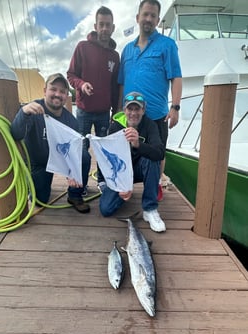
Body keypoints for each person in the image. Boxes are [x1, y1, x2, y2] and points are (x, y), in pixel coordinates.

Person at [118, 0, 182, 201]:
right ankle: (124, 184)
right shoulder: (127, 50)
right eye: (145, 14)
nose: (148, 19)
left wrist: (176, 107)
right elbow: (121, 83)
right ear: (138, 18)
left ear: (157, 19)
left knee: (158, 152)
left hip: (156, 114)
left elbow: (176, 77)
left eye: (153, 15)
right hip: (130, 115)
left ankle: (153, 186)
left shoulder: (167, 45)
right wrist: (118, 110)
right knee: (126, 150)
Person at [10, 73, 91, 213]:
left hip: (61, 159)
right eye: (53, 89)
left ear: (66, 96)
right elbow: (16, 134)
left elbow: (74, 151)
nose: (57, 94)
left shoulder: (72, 121)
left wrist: (72, 172)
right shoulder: (33, 109)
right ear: (44, 91)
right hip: (40, 163)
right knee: (40, 201)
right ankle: (39, 185)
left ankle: (75, 195)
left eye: (62, 91)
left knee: (84, 156)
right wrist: (23, 112)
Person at [67, 6, 120, 191]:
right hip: (83, 111)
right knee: (81, 150)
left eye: (108, 25)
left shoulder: (115, 56)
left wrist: (116, 110)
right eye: (101, 24)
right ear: (95, 26)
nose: (104, 28)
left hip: (104, 113)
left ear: (113, 28)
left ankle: (102, 182)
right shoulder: (82, 47)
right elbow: (71, 74)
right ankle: (80, 185)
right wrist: (81, 84)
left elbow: (114, 86)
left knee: (103, 150)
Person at [99, 92, 166, 232]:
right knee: (106, 209)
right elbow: (107, 158)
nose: (133, 113)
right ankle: (115, 191)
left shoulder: (150, 125)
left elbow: (160, 153)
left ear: (143, 110)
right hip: (121, 172)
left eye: (137, 109)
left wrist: (138, 144)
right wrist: (121, 184)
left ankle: (150, 209)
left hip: (140, 169)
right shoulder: (114, 127)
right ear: (124, 110)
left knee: (152, 158)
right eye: (130, 109)